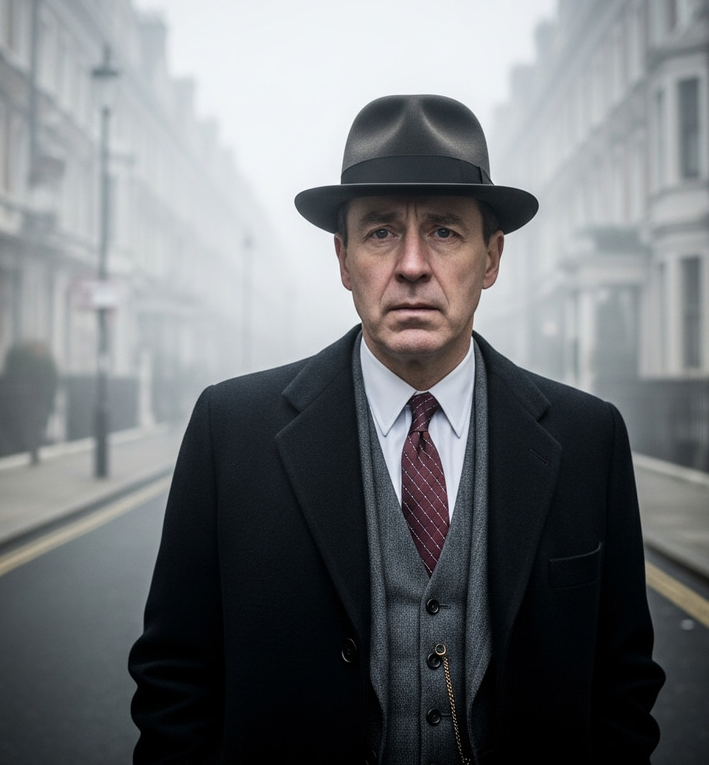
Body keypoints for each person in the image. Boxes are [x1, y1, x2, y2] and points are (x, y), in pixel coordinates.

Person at [128, 94, 665, 764]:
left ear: (491, 259)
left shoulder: (589, 439)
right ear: (343, 260)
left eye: (444, 231)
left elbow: (621, 689)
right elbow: (174, 682)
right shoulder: (229, 430)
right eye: (381, 232)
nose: (412, 265)